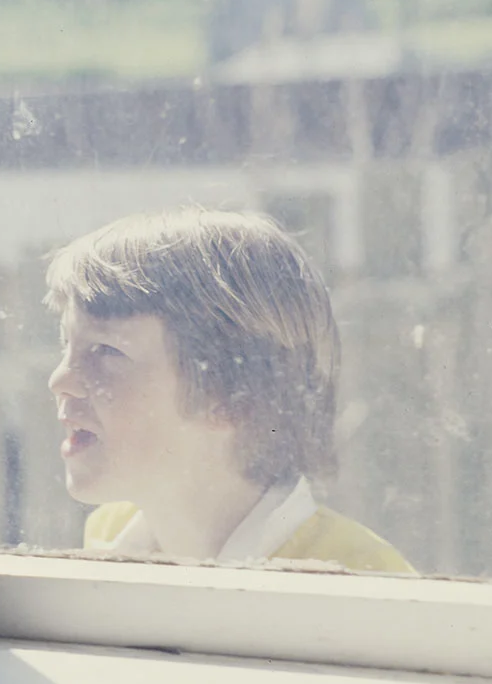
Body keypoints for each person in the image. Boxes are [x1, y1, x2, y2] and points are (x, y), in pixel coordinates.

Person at [44, 207, 413, 573]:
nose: (60, 380)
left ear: (229, 397)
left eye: (107, 350)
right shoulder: (108, 535)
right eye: (66, 344)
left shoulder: (359, 574)